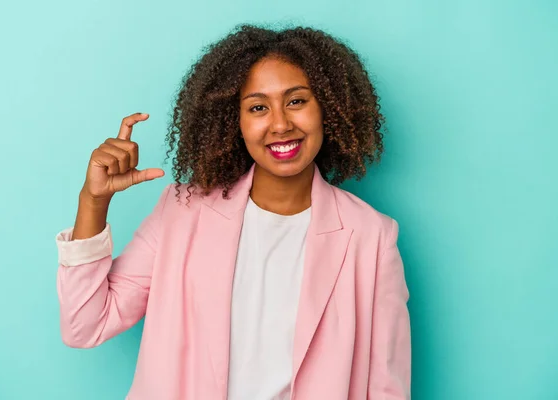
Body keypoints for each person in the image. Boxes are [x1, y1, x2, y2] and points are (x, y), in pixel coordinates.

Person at [55, 24, 411, 400]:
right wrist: (93, 202)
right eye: (258, 107)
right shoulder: (181, 212)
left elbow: (387, 388)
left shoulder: (372, 237)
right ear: (233, 122)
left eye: (296, 101)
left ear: (328, 108)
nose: (280, 124)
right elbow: (84, 326)